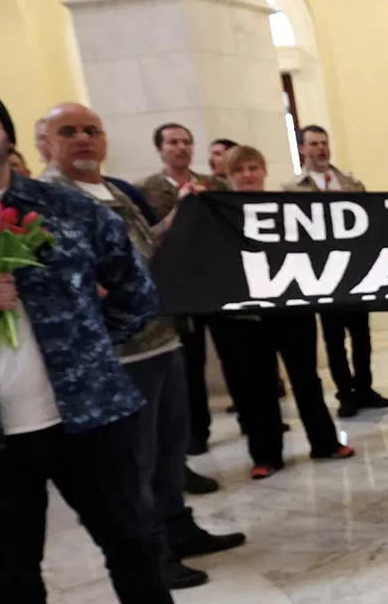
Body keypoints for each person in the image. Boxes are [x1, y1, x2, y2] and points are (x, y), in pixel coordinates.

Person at [0, 75, 173, 603]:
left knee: (136, 548)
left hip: (94, 418)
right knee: (11, 573)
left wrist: (86, 348)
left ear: (6, 132)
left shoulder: (73, 209)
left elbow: (139, 295)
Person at [38, 102, 247, 588]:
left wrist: (179, 220)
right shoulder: (48, 197)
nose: (84, 139)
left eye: (93, 129)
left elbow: (145, 250)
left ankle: (178, 528)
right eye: (69, 131)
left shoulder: (114, 190)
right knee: (136, 461)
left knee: (171, 450)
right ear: (44, 143)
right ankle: (152, 553)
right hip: (116, 354)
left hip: (161, 336)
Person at [217, 145, 356, 478]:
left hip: (291, 309)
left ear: (264, 169)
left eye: (252, 167)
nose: (247, 175)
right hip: (245, 316)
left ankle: (324, 442)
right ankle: (265, 455)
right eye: (239, 170)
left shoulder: (288, 208)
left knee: (306, 378)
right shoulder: (219, 214)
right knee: (258, 385)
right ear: (229, 176)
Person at [285, 125, 388, 418]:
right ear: (303, 149)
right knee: (334, 339)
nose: (321, 148)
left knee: (362, 336)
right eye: (314, 144)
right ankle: (346, 393)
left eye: (324, 142)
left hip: (354, 271)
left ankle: (365, 387)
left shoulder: (351, 183)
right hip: (321, 276)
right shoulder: (292, 189)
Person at [137, 123, 229, 457]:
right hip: (177, 290)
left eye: (187, 142)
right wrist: (183, 207)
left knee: (235, 358)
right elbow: (147, 239)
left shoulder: (215, 184)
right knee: (190, 364)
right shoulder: (144, 190)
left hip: (218, 283)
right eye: (173, 142)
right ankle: (196, 432)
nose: (181, 148)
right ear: (160, 149)